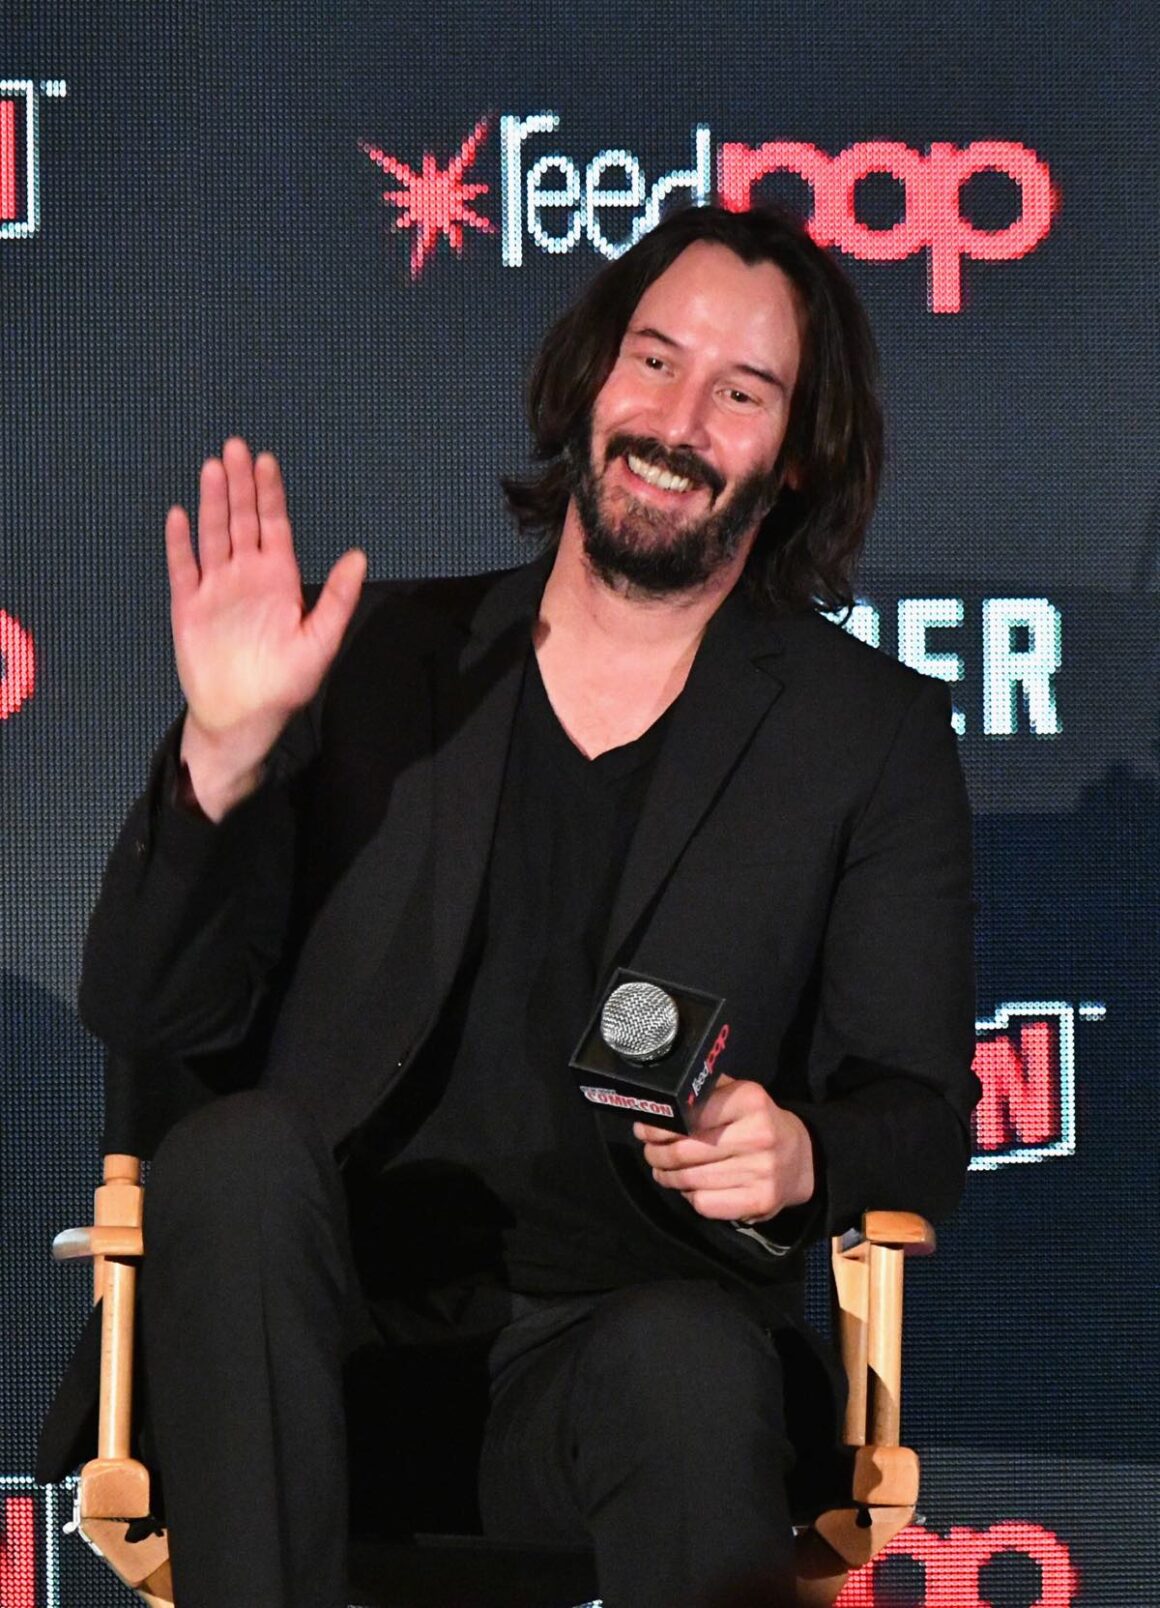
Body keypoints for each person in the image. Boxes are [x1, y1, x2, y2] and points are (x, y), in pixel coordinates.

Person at [59, 205, 979, 1608]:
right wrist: (223, 758)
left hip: (627, 1375)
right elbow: (146, 1009)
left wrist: (803, 1156)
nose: (676, 421)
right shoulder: (359, 663)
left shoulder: (869, 738)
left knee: (683, 1367)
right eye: (653, 363)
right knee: (234, 1157)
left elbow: (918, 1112)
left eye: (741, 393)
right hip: (310, 1350)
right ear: (591, 381)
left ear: (794, 458)